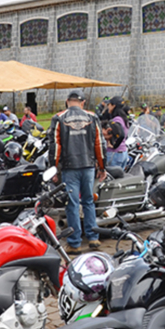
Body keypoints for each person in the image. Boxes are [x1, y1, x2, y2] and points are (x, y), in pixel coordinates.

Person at [48, 91, 106, 256]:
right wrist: (102, 167)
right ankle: (93, 237)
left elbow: (55, 146)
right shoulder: (92, 117)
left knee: (72, 204)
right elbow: (99, 143)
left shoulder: (59, 118)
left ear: (67, 102)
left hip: (69, 167)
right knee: (88, 202)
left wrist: (53, 167)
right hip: (88, 166)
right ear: (83, 102)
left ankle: (75, 244)